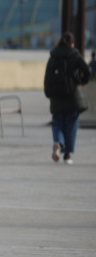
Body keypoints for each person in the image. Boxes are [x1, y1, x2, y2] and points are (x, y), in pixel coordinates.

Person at [46, 32, 91, 165]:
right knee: (71, 124)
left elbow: (47, 77)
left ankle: (58, 143)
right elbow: (87, 70)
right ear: (72, 43)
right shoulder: (75, 55)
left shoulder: (53, 56)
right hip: (73, 96)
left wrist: (49, 93)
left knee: (57, 121)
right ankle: (68, 155)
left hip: (56, 97)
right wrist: (82, 81)